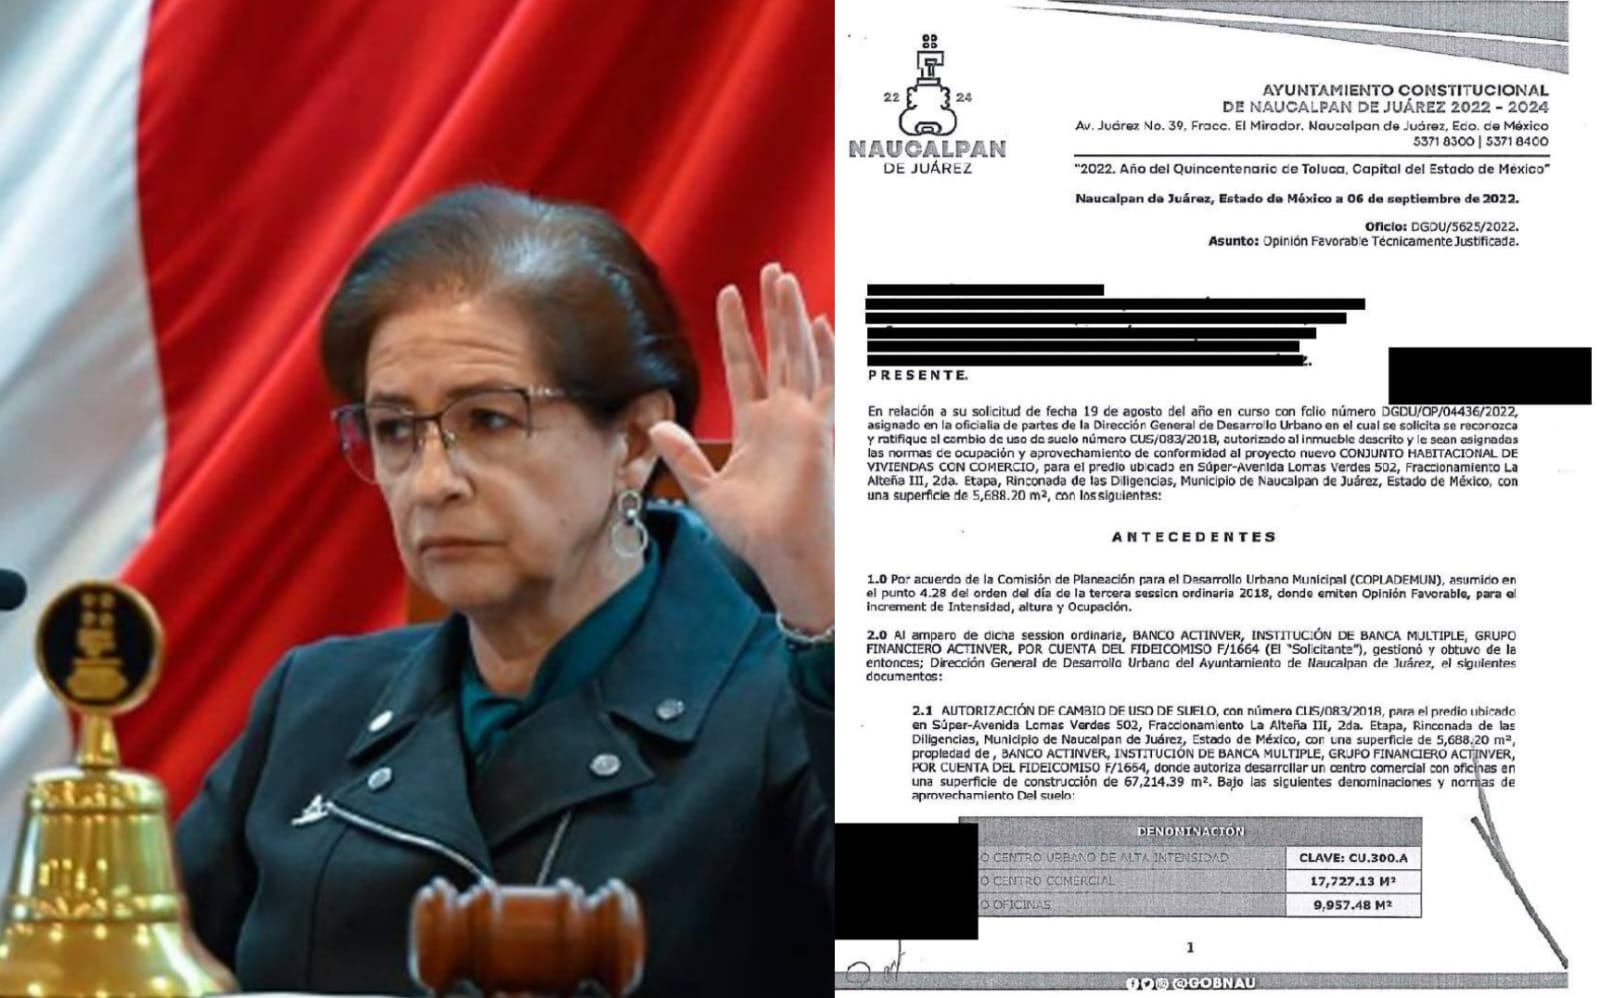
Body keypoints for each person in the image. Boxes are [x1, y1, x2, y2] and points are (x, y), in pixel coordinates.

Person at [175, 185, 834, 997]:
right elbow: (148, 966)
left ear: (634, 441)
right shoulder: (313, 702)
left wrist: (823, 604)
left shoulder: (791, 709)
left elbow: (965, 949)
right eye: (395, 430)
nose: (431, 482)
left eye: (488, 420)